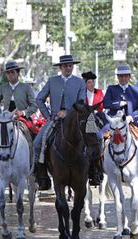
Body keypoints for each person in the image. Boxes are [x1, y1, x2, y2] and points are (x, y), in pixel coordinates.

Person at [34, 55, 86, 190]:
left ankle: (94, 172)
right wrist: (48, 116)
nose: (68, 68)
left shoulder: (80, 82)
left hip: (75, 119)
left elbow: (81, 103)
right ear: (60, 67)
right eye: (65, 66)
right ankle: (42, 176)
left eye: (70, 65)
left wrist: (68, 113)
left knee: (95, 137)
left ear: (72, 67)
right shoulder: (52, 81)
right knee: (37, 143)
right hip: (54, 119)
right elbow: (39, 99)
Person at [0, 60, 38, 185]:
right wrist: (0, 114)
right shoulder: (3, 87)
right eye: (8, 73)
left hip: (22, 119)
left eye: (12, 72)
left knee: (33, 138)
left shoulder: (26, 87)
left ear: (18, 73)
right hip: (5, 120)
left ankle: (35, 167)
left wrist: (24, 113)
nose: (10, 75)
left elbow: (34, 105)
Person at [103, 64, 138, 175]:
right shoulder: (111, 89)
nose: (123, 78)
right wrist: (118, 103)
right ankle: (98, 167)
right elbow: (106, 103)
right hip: (114, 122)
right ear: (118, 77)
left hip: (130, 122)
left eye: (126, 76)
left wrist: (131, 117)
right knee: (99, 137)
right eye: (121, 76)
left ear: (129, 77)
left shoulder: (135, 90)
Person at [81, 71, 104, 185]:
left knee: (99, 137)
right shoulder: (81, 93)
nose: (91, 84)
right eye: (89, 82)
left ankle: (97, 161)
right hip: (84, 118)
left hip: (96, 117)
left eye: (93, 82)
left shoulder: (99, 92)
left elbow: (101, 107)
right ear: (85, 83)